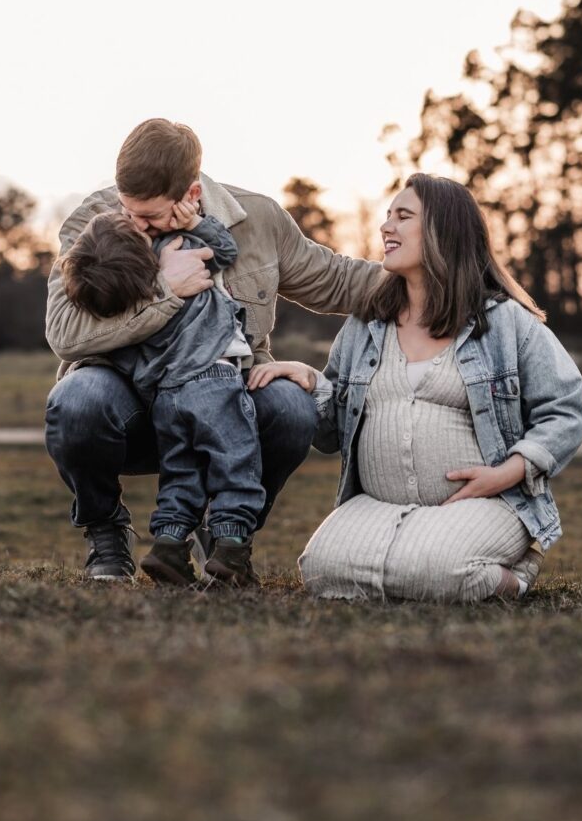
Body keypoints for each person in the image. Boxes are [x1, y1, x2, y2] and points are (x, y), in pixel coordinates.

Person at [45, 118, 380, 581]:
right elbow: (64, 332)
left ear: (192, 194)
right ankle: (105, 530)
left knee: (291, 407)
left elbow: (338, 280)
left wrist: (441, 277)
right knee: (76, 400)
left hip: (223, 395)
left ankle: (225, 537)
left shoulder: (257, 219)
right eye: (128, 209)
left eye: (149, 217)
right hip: (127, 396)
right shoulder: (94, 220)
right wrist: (165, 289)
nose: (135, 225)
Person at [248, 174, 582, 603]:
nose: (385, 227)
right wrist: (312, 382)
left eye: (403, 216)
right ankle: (418, 563)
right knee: (320, 570)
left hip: (487, 502)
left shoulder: (505, 321)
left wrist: (509, 472)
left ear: (443, 230)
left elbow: (565, 408)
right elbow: (332, 433)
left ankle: (515, 576)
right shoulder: (366, 323)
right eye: (388, 216)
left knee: (442, 569)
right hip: (378, 504)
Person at [59, 199, 264, 586]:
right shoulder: (175, 254)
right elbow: (224, 250)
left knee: (181, 470)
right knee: (235, 461)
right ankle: (231, 548)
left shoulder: (127, 297)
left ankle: (169, 545)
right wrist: (197, 222)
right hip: (213, 377)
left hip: (165, 396)